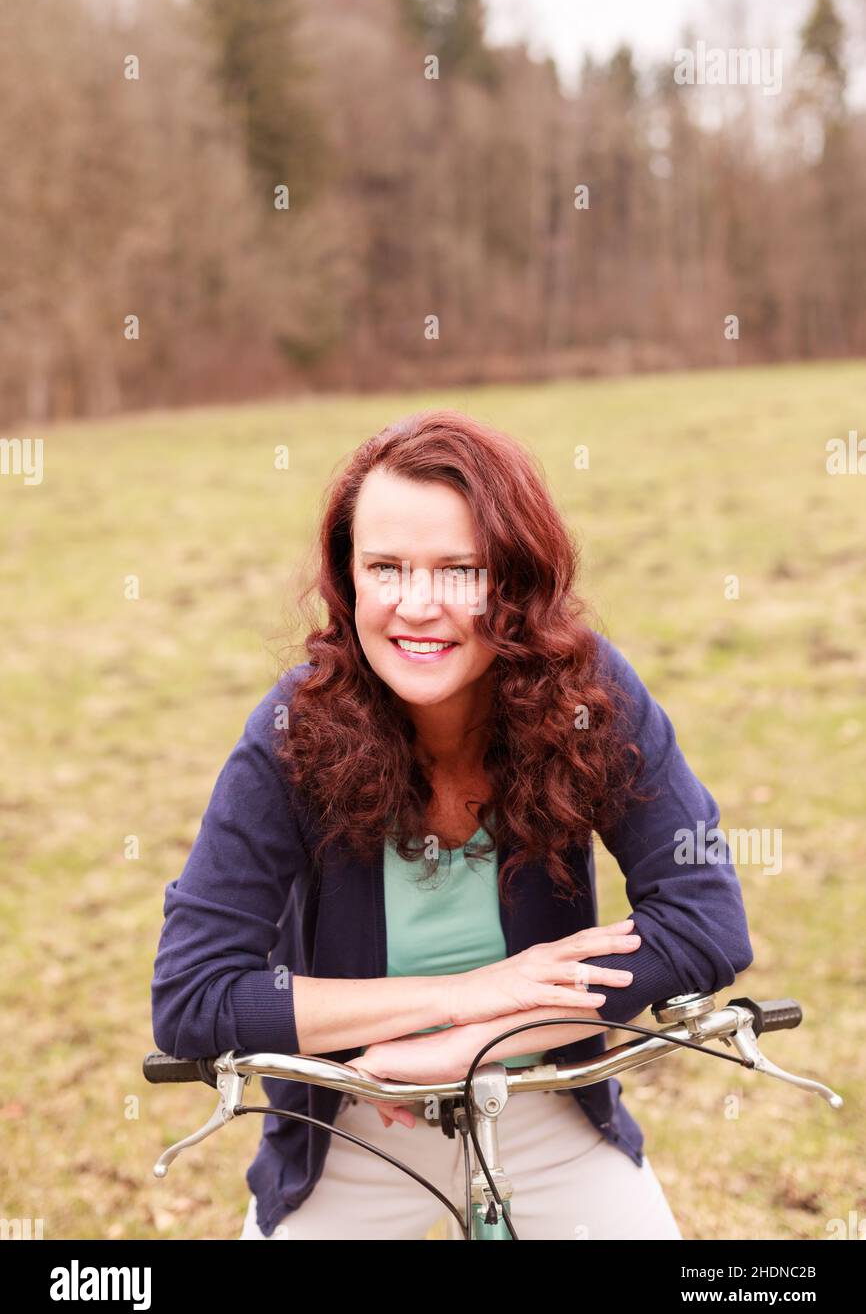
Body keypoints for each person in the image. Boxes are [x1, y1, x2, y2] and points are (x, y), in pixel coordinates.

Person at [150, 410, 754, 1240]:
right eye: (385, 568)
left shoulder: (590, 697)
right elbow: (192, 996)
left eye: (460, 571)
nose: (417, 606)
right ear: (348, 580)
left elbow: (706, 921)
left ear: (513, 582)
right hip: (351, 1126)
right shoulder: (293, 728)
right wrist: (459, 997)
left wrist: (479, 1040)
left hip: (547, 1106)